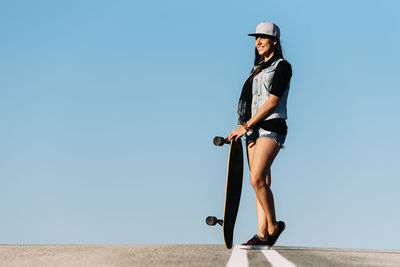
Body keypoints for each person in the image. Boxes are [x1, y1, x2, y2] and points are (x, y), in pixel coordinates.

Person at [228, 21, 292, 247]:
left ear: (274, 40)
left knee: (255, 178)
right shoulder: (257, 69)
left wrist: (246, 126)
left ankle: (274, 227)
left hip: (272, 128)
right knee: (261, 181)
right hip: (253, 130)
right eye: (256, 38)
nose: (258, 41)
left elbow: (273, 102)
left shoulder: (283, 66)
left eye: (263, 37)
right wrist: (243, 127)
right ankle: (262, 235)